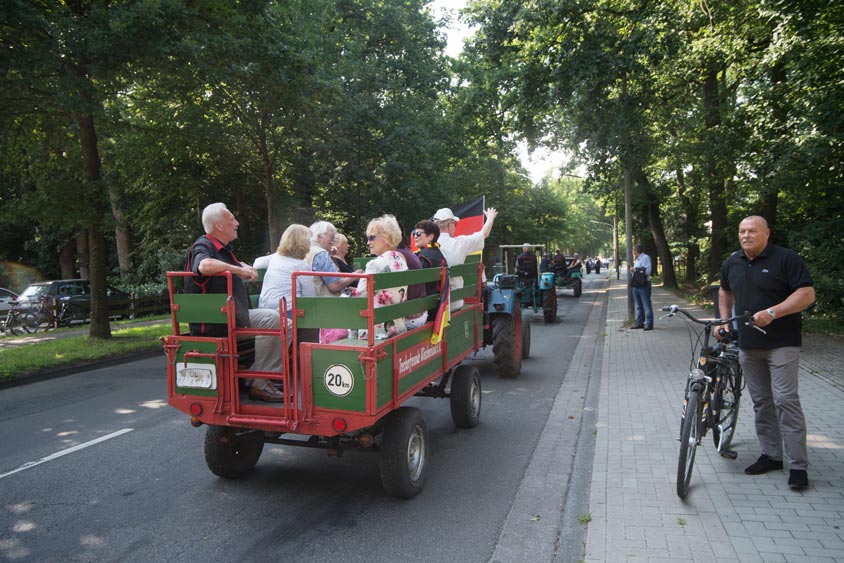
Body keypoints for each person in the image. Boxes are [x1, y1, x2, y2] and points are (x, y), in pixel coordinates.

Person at [716, 215, 815, 490]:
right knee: (761, 402)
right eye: (742, 231)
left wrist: (773, 312)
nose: (746, 235)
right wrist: (724, 321)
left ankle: (798, 466)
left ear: (767, 233)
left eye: (752, 231)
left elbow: (807, 294)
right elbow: (724, 291)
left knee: (785, 401)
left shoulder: (786, 259)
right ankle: (772, 456)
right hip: (749, 345)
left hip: (782, 343)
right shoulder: (733, 261)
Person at [184, 202, 284, 402]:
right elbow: (204, 266)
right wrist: (238, 270)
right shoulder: (203, 246)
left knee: (286, 324)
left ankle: (259, 375)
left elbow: (234, 268)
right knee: (272, 319)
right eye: (232, 219)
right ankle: (259, 381)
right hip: (217, 324)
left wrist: (242, 267)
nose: (237, 223)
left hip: (232, 318)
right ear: (219, 225)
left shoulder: (223, 250)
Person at [349, 214, 409, 339]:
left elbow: (359, 298)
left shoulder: (375, 264)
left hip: (377, 331)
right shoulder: (401, 261)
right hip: (398, 326)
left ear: (386, 237)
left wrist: (345, 295)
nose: (368, 242)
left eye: (371, 238)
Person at [433, 206, 498, 311]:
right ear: (449, 225)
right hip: (452, 303)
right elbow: (484, 234)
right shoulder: (459, 243)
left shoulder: (426, 245)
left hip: (432, 305)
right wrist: (490, 217)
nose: (455, 227)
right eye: (455, 224)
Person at [253, 224, 315, 319]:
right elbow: (309, 297)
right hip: (287, 312)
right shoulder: (302, 266)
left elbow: (257, 264)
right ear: (305, 244)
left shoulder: (275, 257)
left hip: (265, 309)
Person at [306, 221, 359, 296]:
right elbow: (334, 285)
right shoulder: (322, 254)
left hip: (310, 299)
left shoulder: (306, 251)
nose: (334, 240)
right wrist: (354, 276)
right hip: (327, 301)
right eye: (332, 236)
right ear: (319, 237)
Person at [412, 220, 448, 322]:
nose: (415, 236)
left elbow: (416, 285)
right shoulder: (438, 253)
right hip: (437, 305)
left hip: (426, 309)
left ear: (431, 237)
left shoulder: (424, 257)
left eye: (419, 234)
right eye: (414, 233)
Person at [396, 229, 427, 330]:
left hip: (411, 317)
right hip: (420, 310)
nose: (368, 242)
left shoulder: (396, 255)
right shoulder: (407, 251)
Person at [628, 244, 654, 331]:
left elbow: (647, 271)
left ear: (636, 250)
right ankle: (640, 323)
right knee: (639, 305)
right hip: (636, 284)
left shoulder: (645, 258)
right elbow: (636, 272)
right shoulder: (637, 259)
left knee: (646, 304)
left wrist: (634, 269)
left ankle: (649, 323)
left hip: (644, 284)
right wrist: (632, 270)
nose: (633, 251)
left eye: (633, 249)